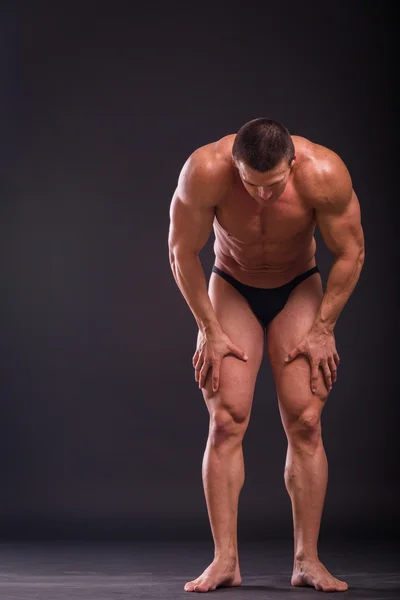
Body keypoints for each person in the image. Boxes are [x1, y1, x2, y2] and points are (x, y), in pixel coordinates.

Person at [168, 118, 365, 593]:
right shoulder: (205, 170)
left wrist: (324, 328)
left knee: (306, 421)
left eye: (274, 185)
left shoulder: (323, 171)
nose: (262, 196)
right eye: (252, 185)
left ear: (292, 163)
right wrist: (208, 329)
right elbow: (181, 251)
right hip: (232, 285)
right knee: (225, 421)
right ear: (235, 166)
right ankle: (225, 560)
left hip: (298, 286)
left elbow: (352, 252)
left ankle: (307, 560)